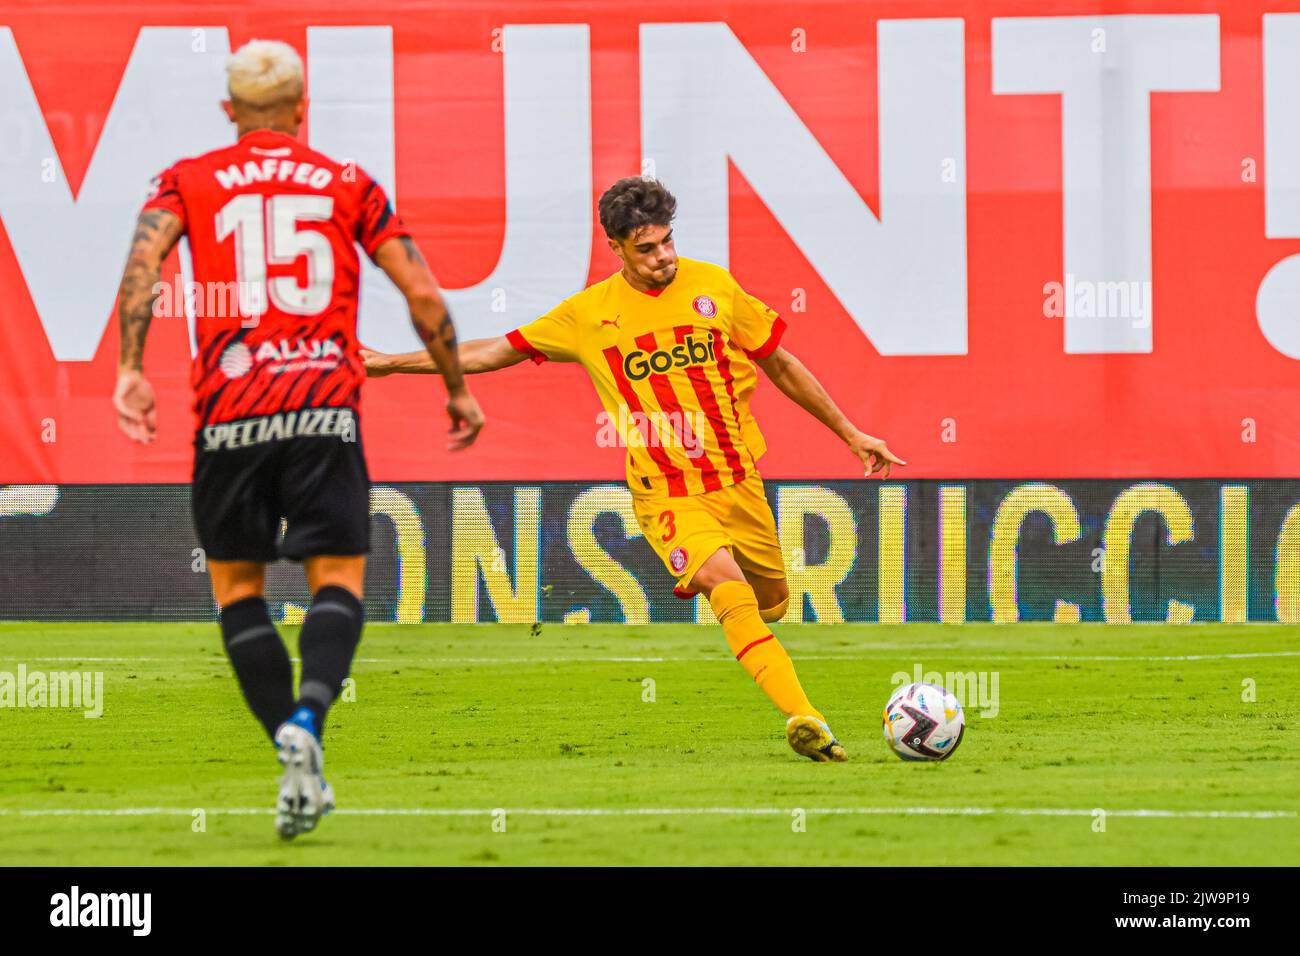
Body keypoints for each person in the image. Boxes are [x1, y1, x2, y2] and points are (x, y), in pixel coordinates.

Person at [362, 177, 902, 761]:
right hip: (663, 492)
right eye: (645, 249)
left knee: (770, 604)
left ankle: (745, 618)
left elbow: (781, 364)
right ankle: (806, 717)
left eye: (667, 242)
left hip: (737, 479)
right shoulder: (589, 313)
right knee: (728, 585)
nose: (662, 257)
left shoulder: (714, 287)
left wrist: (849, 431)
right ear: (615, 247)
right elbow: (495, 351)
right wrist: (393, 363)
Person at [111, 39, 484, 837]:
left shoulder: (188, 179)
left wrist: (130, 368)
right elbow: (422, 293)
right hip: (322, 410)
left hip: (230, 412)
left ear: (229, 113)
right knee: (338, 576)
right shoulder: (348, 182)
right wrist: (455, 386)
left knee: (238, 590)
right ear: (303, 109)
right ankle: (309, 722)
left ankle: (291, 750)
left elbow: (141, 271)